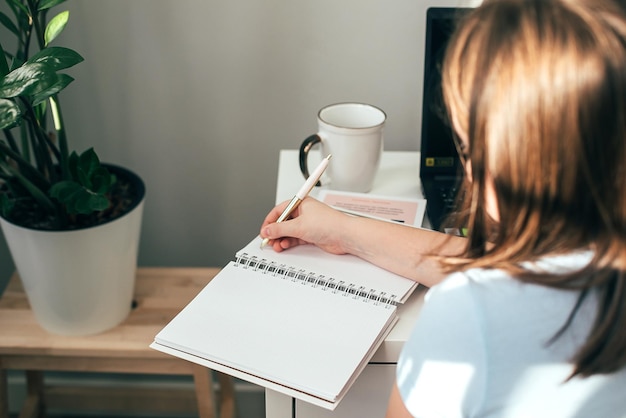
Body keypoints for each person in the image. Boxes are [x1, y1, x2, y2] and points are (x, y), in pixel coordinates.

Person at [260, 0, 626, 415]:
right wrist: (343, 230)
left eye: (468, 147)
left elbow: (489, 283)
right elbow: (482, 263)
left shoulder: (472, 317)